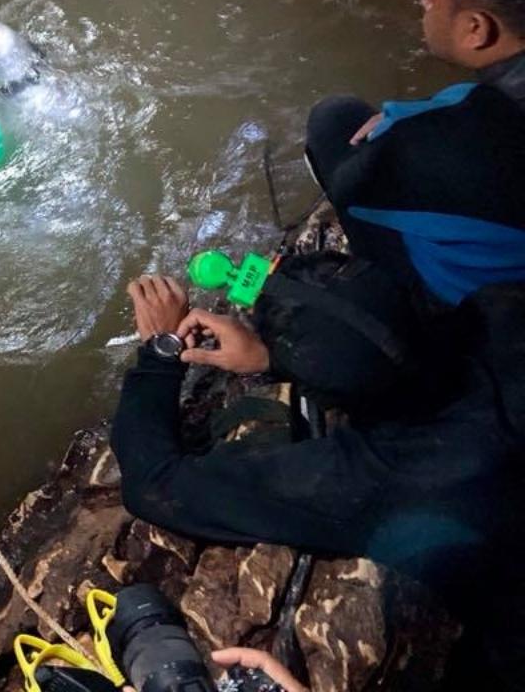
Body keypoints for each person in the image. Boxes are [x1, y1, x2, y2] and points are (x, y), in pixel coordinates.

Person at [110, 259, 525, 687]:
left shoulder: (376, 478)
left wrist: (161, 350)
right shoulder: (502, 304)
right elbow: (386, 341)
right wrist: (275, 355)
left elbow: (154, 483)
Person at [305, 0, 525, 309]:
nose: (422, 5)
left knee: (335, 120)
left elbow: (354, 188)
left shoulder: (435, 138)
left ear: (476, 29)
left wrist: (400, 129)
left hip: (483, 319)